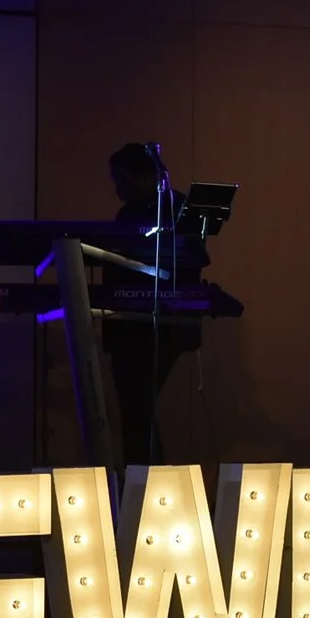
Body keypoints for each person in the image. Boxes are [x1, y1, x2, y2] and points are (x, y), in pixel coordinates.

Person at [99, 142, 210, 464]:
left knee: (137, 407)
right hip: (128, 325)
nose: (118, 190)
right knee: (135, 409)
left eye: (122, 181)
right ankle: (143, 480)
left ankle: (146, 483)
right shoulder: (129, 212)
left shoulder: (177, 209)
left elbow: (191, 259)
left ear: (146, 177)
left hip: (162, 324)